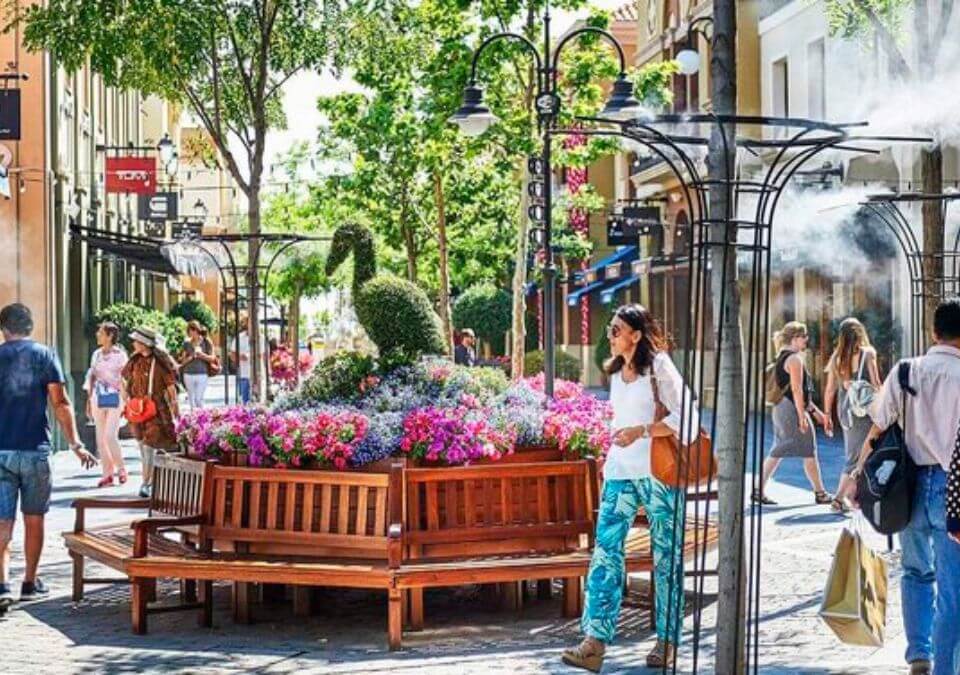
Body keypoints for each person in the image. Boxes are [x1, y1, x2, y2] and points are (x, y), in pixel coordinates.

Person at [562, 304, 699, 672]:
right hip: (621, 473)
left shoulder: (659, 367)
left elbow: (688, 418)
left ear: (636, 335)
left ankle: (668, 642)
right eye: (610, 329)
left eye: (616, 330)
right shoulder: (615, 373)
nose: (610, 336)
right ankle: (594, 642)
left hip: (659, 474)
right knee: (606, 555)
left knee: (666, 558)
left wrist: (642, 431)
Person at [843, 299, 960, 675]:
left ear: (933, 332)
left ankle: (919, 655)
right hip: (953, 488)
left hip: (906, 487)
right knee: (952, 587)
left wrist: (855, 475)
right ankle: (946, 666)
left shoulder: (906, 370)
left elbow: (876, 429)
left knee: (915, 572)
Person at [0, 303, 96, 609]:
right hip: (36, 450)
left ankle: (2, 585)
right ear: (30, 327)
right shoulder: (45, 355)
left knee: (2, 522)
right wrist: (76, 444)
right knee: (34, 519)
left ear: (4, 330)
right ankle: (29, 581)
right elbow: (61, 402)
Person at [754, 321, 832, 506]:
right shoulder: (795, 359)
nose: (806, 340)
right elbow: (797, 390)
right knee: (806, 450)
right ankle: (820, 493)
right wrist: (802, 415)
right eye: (804, 337)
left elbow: (798, 391)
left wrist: (816, 413)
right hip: (791, 409)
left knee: (781, 449)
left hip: (782, 408)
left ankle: (758, 489)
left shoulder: (781, 356)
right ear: (795, 338)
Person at [822, 318, 882, 513]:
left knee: (856, 453)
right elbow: (877, 384)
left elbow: (830, 390)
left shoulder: (836, 358)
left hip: (845, 410)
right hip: (863, 412)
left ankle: (852, 496)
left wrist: (827, 415)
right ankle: (839, 498)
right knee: (857, 456)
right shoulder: (868, 353)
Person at [121, 326, 179, 499]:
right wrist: (126, 400)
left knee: (148, 447)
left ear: (144, 343)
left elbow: (170, 387)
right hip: (137, 410)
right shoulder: (134, 361)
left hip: (156, 410)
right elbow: (123, 380)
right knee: (141, 446)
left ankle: (146, 483)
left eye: (136, 341)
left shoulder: (160, 363)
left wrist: (175, 408)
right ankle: (151, 479)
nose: (133, 343)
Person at [84, 322, 129, 487]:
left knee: (110, 436)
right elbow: (91, 377)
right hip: (98, 398)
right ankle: (107, 474)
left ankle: (121, 469)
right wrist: (88, 400)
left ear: (109, 336)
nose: (97, 335)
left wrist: (127, 400)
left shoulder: (120, 355)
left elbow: (125, 378)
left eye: (100, 332)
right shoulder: (96, 354)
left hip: (115, 398)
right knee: (100, 438)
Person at [179, 320, 215, 411]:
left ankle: (202, 418)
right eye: (189, 331)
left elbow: (212, 358)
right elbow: (182, 361)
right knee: (191, 400)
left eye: (192, 330)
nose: (190, 333)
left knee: (198, 399)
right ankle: (193, 420)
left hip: (202, 374)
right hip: (188, 374)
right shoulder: (186, 343)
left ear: (197, 330)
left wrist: (202, 355)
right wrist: (191, 357)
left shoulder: (206, 342)